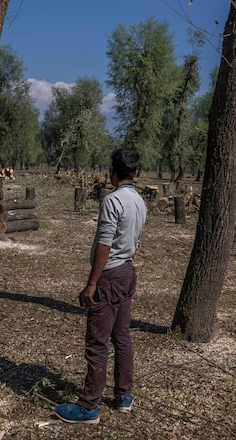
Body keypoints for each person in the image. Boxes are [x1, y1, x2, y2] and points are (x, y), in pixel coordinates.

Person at [55, 148, 147, 425]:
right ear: (136, 173)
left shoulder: (112, 200)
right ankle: (124, 396)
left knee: (97, 342)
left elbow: (105, 244)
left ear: (112, 173)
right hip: (128, 271)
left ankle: (88, 407)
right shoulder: (140, 201)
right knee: (122, 336)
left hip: (109, 275)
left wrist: (91, 284)